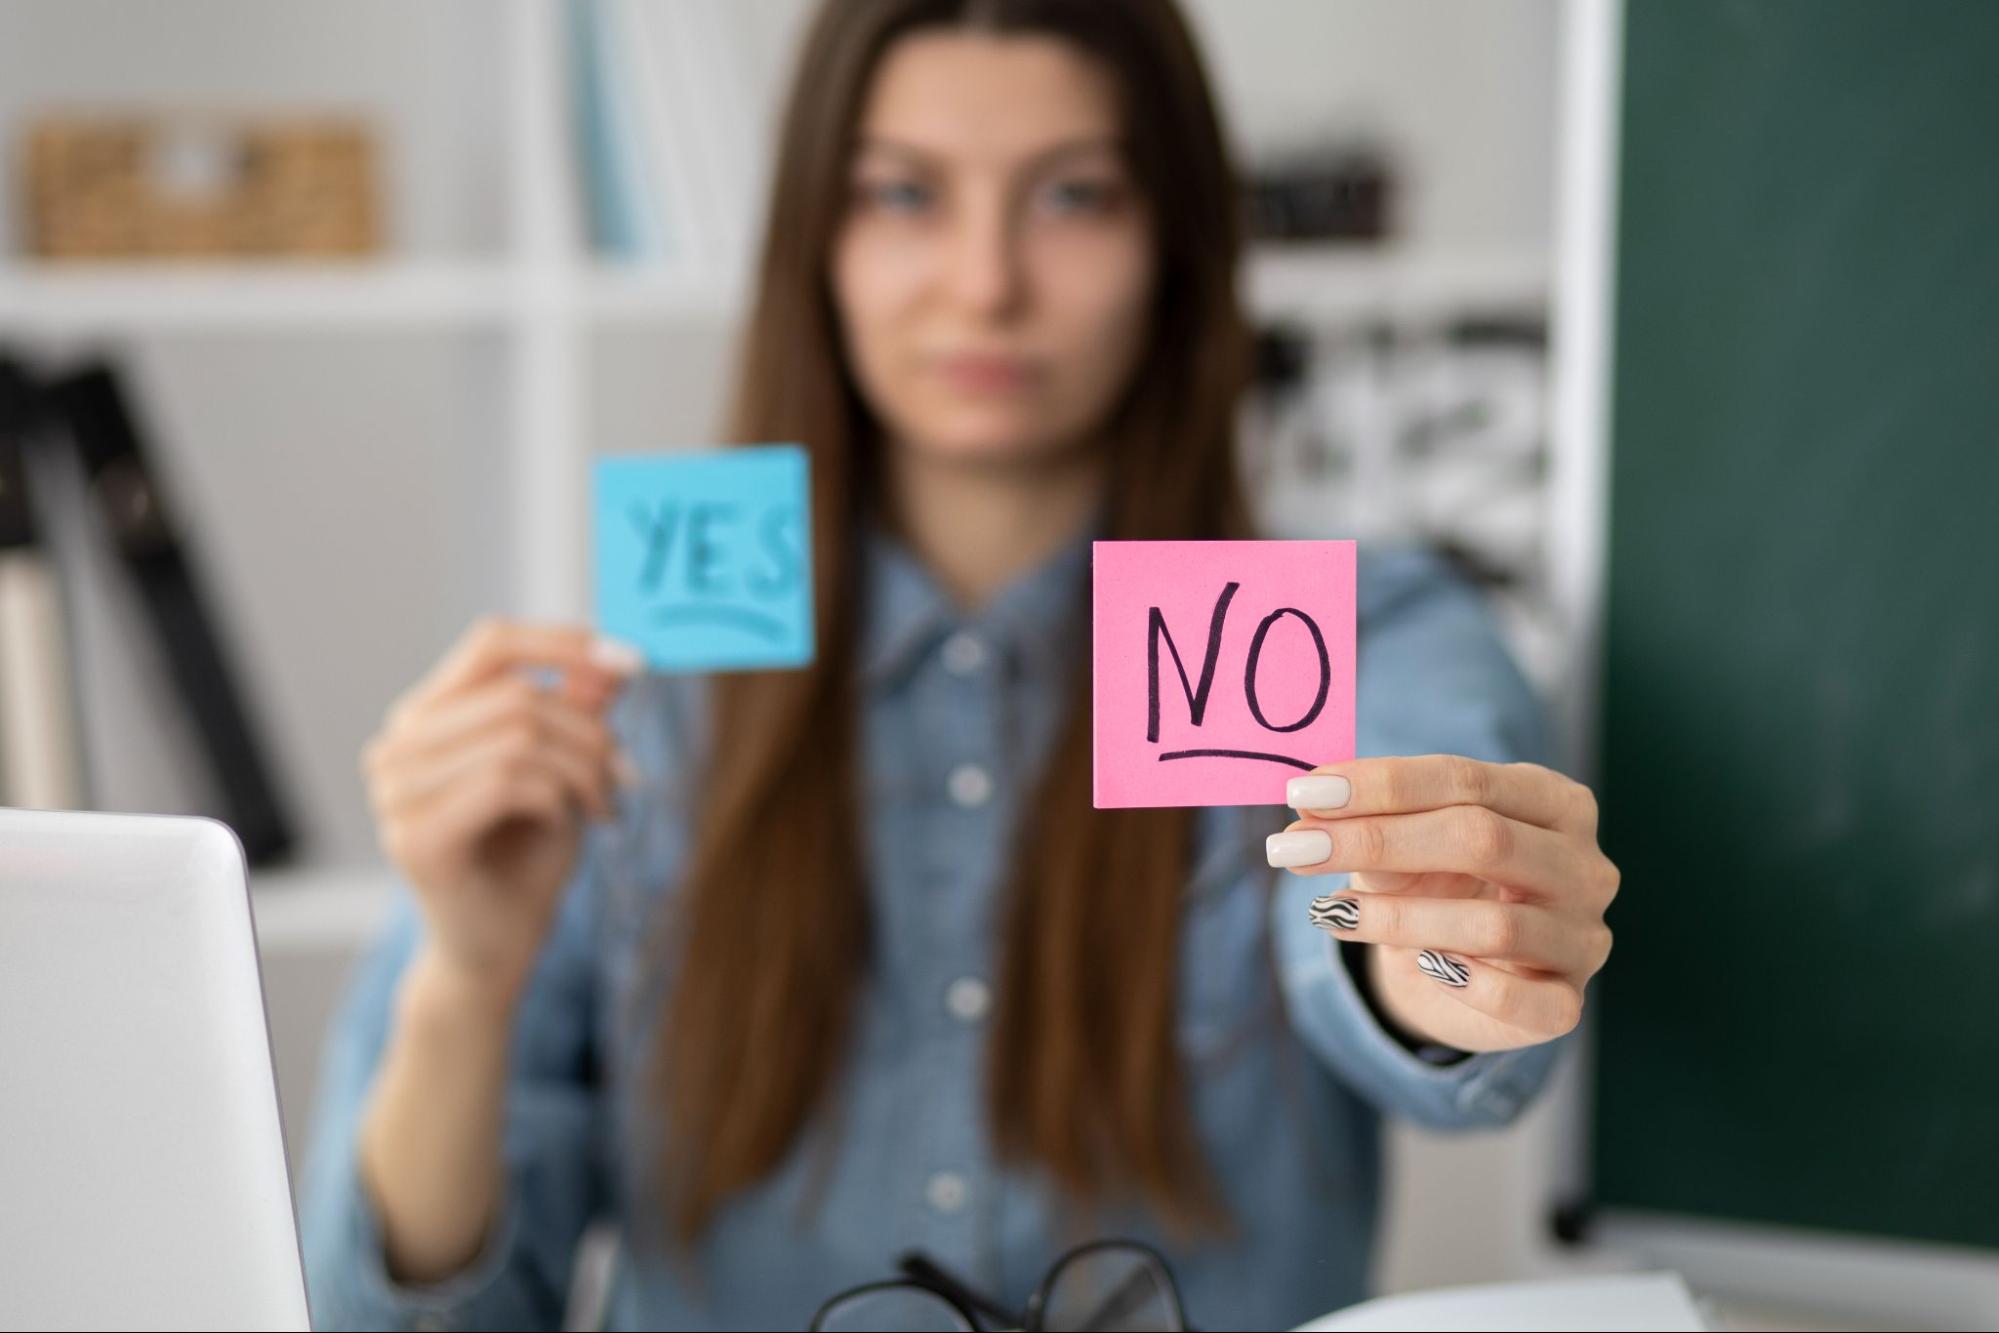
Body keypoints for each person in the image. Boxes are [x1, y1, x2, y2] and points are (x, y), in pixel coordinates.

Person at [300, 1, 1619, 1328]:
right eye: (905, 194)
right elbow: (405, 1312)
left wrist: (1435, 947)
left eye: (1073, 196)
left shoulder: (1358, 636)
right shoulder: (635, 697)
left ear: (1176, 240)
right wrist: (464, 982)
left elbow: (1351, 926)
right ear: (816, 238)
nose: (986, 281)